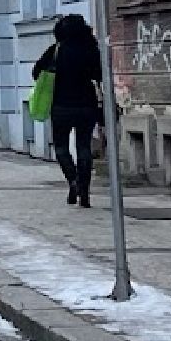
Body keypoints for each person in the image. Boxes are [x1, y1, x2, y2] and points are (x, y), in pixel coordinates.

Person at [35, 14, 104, 207]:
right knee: (84, 147)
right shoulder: (91, 50)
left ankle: (73, 180)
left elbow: (36, 72)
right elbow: (100, 75)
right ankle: (85, 192)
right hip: (86, 106)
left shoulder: (56, 51)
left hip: (61, 106)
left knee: (61, 148)